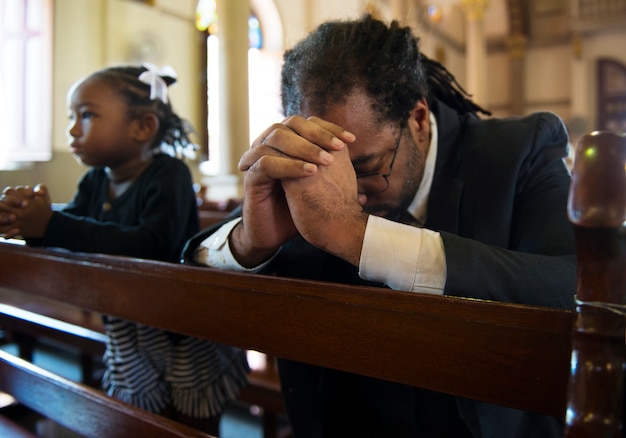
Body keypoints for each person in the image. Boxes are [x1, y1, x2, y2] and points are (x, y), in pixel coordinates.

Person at [182, 14, 576, 437]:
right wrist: (250, 241)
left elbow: (573, 286)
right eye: (329, 172)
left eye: (366, 167)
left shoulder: (519, 152)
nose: (349, 193)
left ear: (419, 120)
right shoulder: (304, 175)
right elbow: (191, 272)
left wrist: (357, 236)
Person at [0, 64, 248, 435]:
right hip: (129, 322)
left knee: (192, 421)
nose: (72, 128)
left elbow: (152, 244)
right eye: (73, 116)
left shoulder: (170, 175)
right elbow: (71, 227)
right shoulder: (94, 180)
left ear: (143, 127)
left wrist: (50, 224)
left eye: (87, 115)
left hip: (183, 323)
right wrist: (25, 221)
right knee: (141, 420)